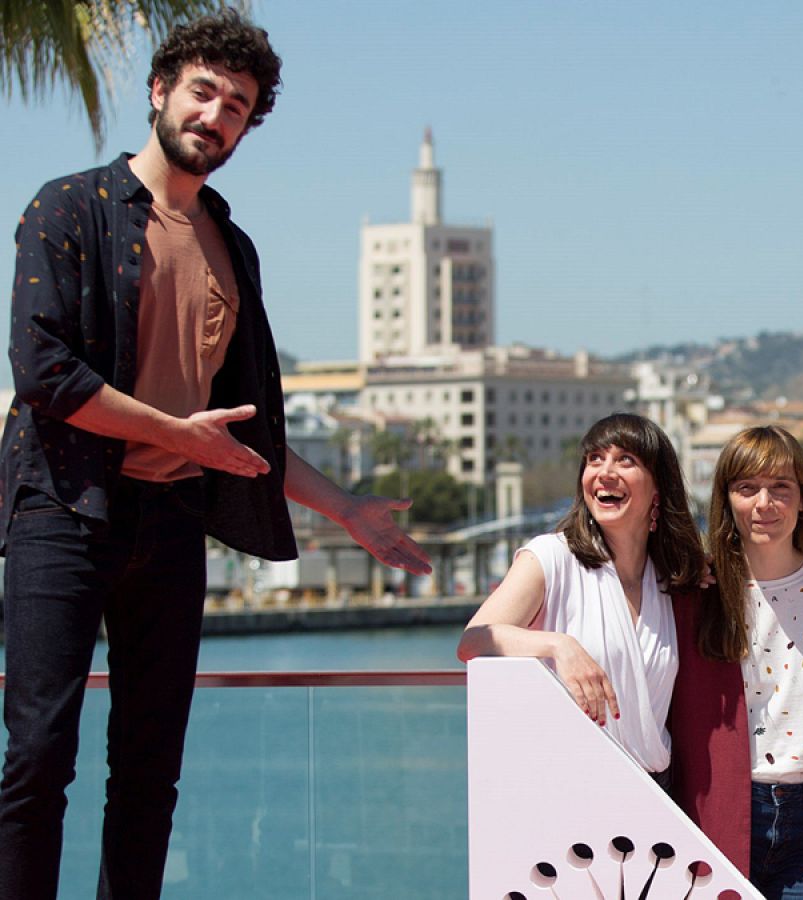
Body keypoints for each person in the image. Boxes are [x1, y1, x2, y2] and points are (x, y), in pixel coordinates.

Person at [0, 11, 432, 899]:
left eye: (237, 105)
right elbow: (44, 371)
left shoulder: (231, 249)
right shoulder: (68, 207)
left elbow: (250, 434)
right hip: (62, 512)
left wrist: (344, 509)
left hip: (169, 522)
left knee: (150, 773)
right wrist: (174, 434)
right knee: (40, 755)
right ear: (159, 92)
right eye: (203, 92)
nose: (216, 114)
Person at [668, 425, 803, 899]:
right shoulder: (697, 592)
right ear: (726, 499)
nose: (764, 503)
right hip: (723, 810)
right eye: (747, 488)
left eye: (781, 487)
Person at [457, 413, 704, 783]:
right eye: (595, 459)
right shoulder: (551, 557)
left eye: (626, 460)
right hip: (572, 787)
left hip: (657, 792)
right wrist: (560, 646)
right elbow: (473, 641)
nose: (605, 471)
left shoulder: (670, 579)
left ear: (658, 488)